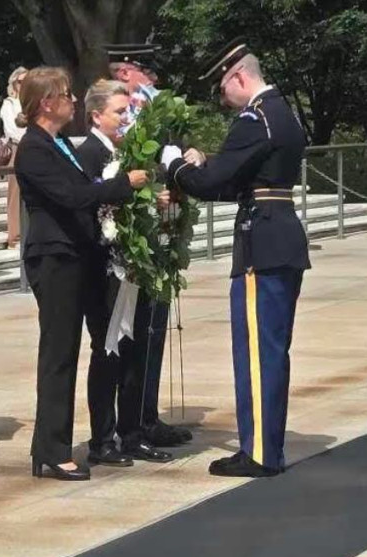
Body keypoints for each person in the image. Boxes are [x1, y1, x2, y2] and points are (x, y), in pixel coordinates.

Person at [161, 39, 310, 477]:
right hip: (279, 232)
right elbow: (244, 179)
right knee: (270, 350)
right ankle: (263, 445)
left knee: (258, 353)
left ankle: (261, 452)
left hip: (260, 242)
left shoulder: (254, 118)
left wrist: (175, 166)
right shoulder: (284, 114)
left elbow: (212, 186)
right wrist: (206, 165)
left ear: (239, 77)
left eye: (223, 89)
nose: (224, 101)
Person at [14, 67, 148, 481]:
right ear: (46, 103)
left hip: (75, 256)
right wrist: (122, 184)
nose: (73, 101)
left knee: (74, 349)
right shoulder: (34, 147)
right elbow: (73, 195)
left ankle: (55, 445)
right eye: (66, 95)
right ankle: (52, 449)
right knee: (58, 355)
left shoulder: (57, 144)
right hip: (54, 257)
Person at [78, 79, 173, 466]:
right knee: (108, 351)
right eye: (119, 111)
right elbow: (90, 204)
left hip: (133, 265)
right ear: (96, 115)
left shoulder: (130, 154)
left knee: (134, 349)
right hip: (104, 268)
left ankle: (132, 433)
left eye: (127, 111)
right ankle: (102, 439)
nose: (125, 118)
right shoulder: (88, 155)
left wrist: (153, 199)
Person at [106, 44, 194, 448]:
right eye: (146, 72)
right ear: (126, 73)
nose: (153, 81)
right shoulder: (119, 116)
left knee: (153, 331)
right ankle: (131, 422)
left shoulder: (154, 114)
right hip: (129, 244)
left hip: (158, 233)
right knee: (133, 336)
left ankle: (146, 414)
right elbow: (127, 174)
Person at [0, 66, 28, 249]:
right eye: (21, 81)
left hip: (32, 146)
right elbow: (11, 129)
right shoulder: (9, 104)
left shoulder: (33, 101)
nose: (24, 85)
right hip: (18, 147)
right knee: (15, 193)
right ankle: (15, 236)